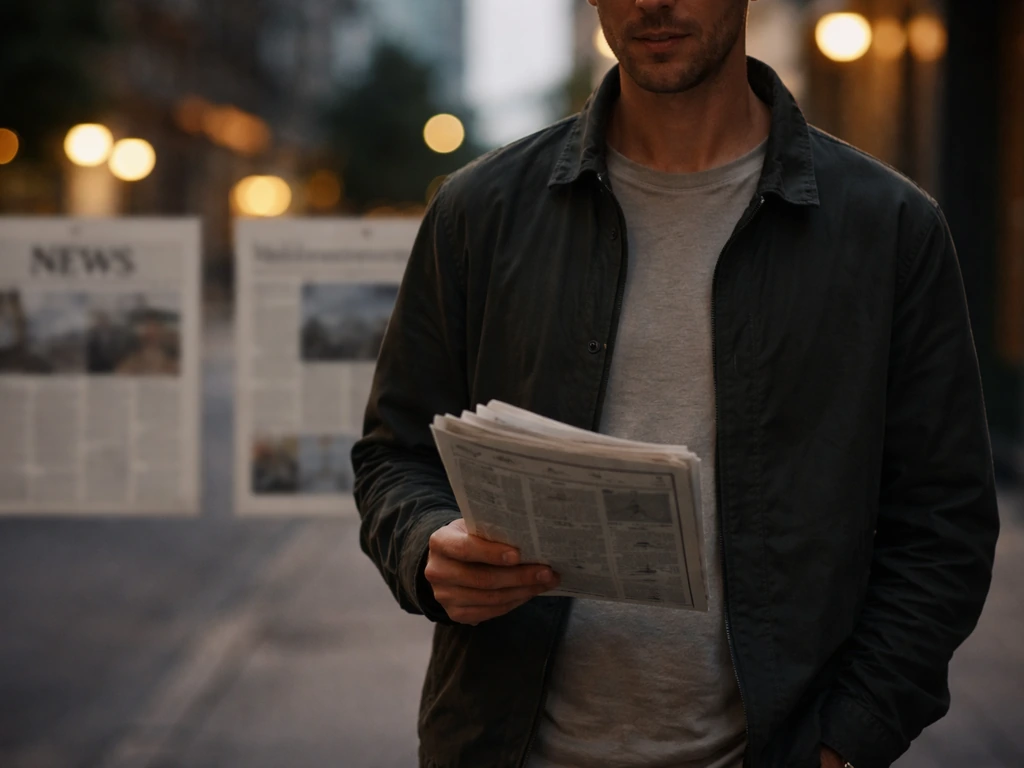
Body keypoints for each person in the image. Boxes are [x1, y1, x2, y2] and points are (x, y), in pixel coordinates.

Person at [352, 1, 1000, 767]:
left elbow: (943, 525)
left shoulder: (888, 229)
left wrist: (845, 741)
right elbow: (393, 456)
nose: (652, 2)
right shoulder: (480, 212)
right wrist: (429, 546)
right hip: (505, 745)